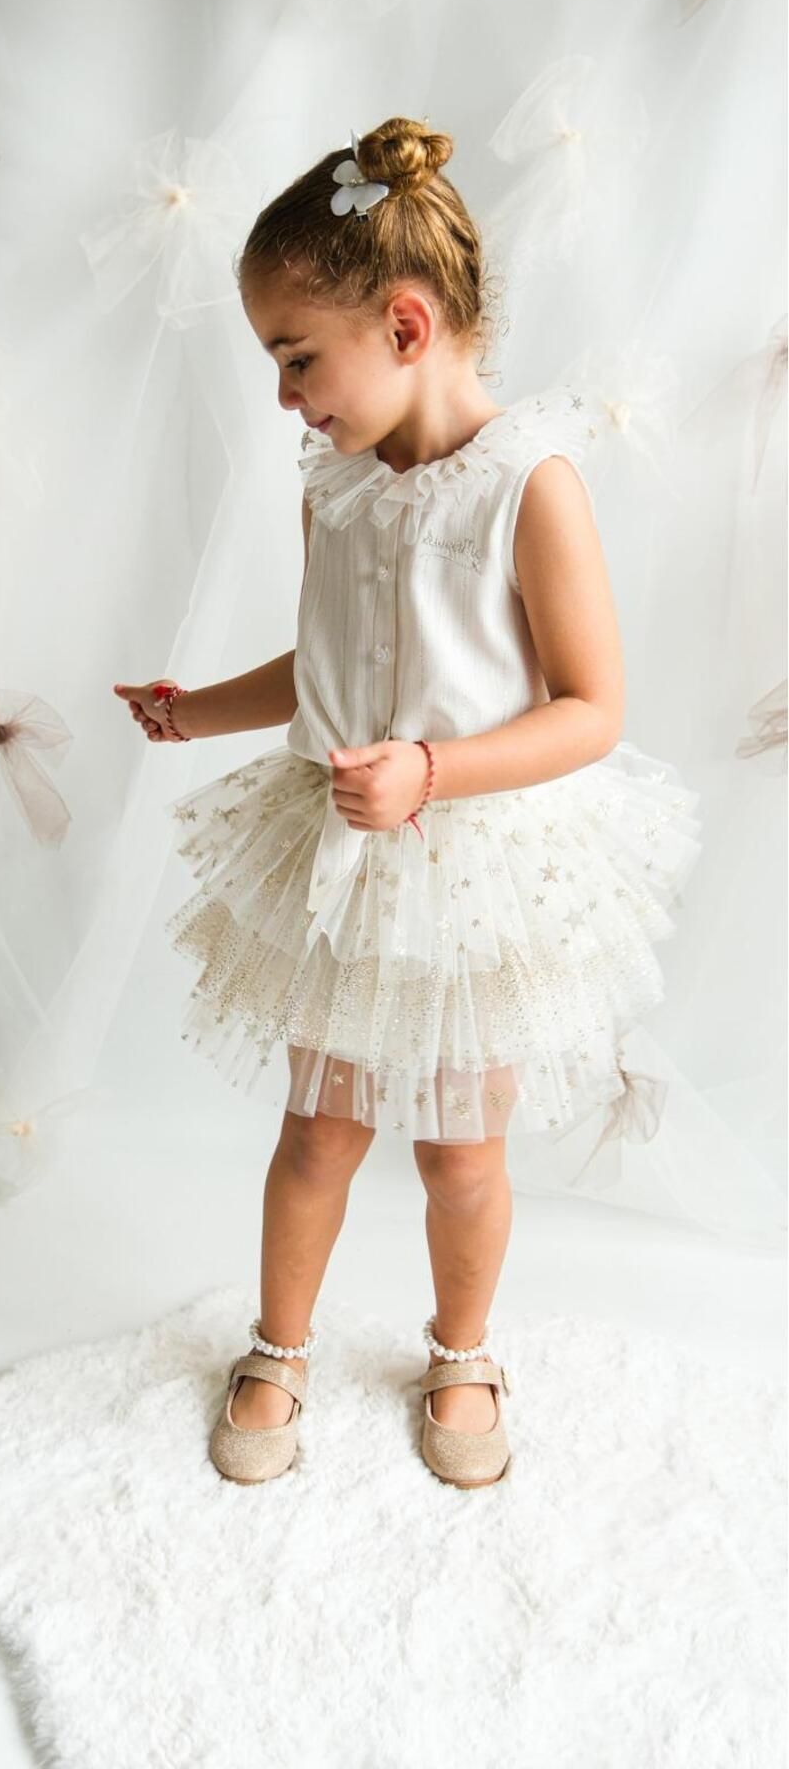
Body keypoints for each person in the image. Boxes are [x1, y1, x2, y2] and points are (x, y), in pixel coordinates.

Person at [112, 117, 703, 1491]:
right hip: (346, 856)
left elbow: (591, 708)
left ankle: (463, 1351)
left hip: (474, 867)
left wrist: (430, 772)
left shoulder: (529, 488)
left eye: (296, 359)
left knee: (459, 1152)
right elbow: (325, 663)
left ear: (406, 324)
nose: (285, 398)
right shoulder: (335, 489)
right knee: (318, 1131)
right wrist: (196, 709)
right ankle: (280, 1347)